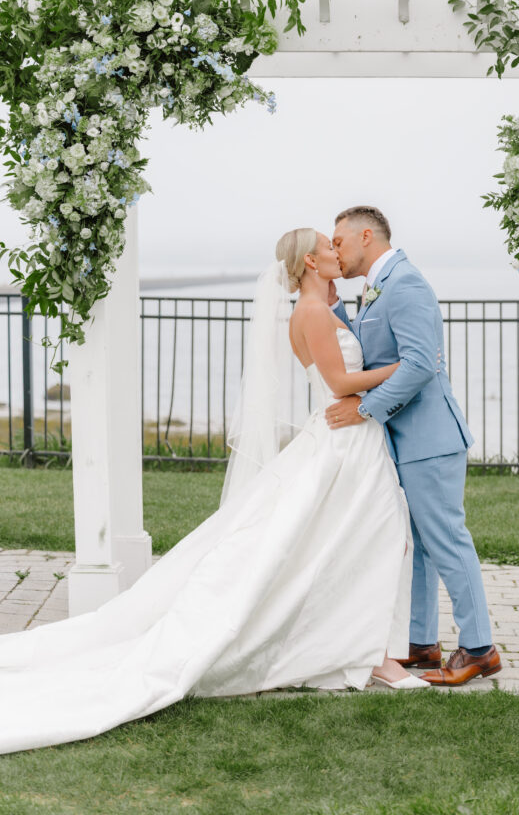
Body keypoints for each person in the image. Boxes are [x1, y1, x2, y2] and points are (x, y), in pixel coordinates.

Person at [0, 227, 426, 756]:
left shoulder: (319, 309)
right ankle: (366, 654)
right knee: (369, 537)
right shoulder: (312, 314)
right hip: (345, 440)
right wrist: (406, 369)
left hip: (348, 438)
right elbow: (339, 384)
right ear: (311, 263)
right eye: (328, 246)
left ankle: (363, 650)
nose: (338, 252)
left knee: (360, 542)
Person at [328, 206, 501, 686]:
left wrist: (365, 409)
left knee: (446, 540)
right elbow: (373, 349)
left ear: (367, 235)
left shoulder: (405, 283)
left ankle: (480, 648)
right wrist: (335, 308)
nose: (333, 250)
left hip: (430, 438)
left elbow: (421, 363)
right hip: (405, 441)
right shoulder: (376, 286)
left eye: (338, 241)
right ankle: (420, 644)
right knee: (418, 545)